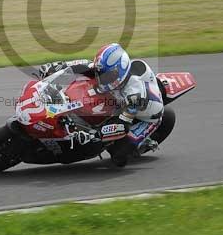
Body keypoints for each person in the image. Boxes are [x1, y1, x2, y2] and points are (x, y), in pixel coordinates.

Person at [36, 43, 164, 166]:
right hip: (120, 100)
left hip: (146, 117)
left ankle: (142, 143)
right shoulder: (109, 71)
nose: (101, 78)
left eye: (106, 75)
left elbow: (122, 125)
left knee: (119, 157)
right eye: (101, 73)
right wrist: (54, 68)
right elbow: (84, 65)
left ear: (119, 72)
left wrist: (95, 135)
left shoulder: (134, 95)